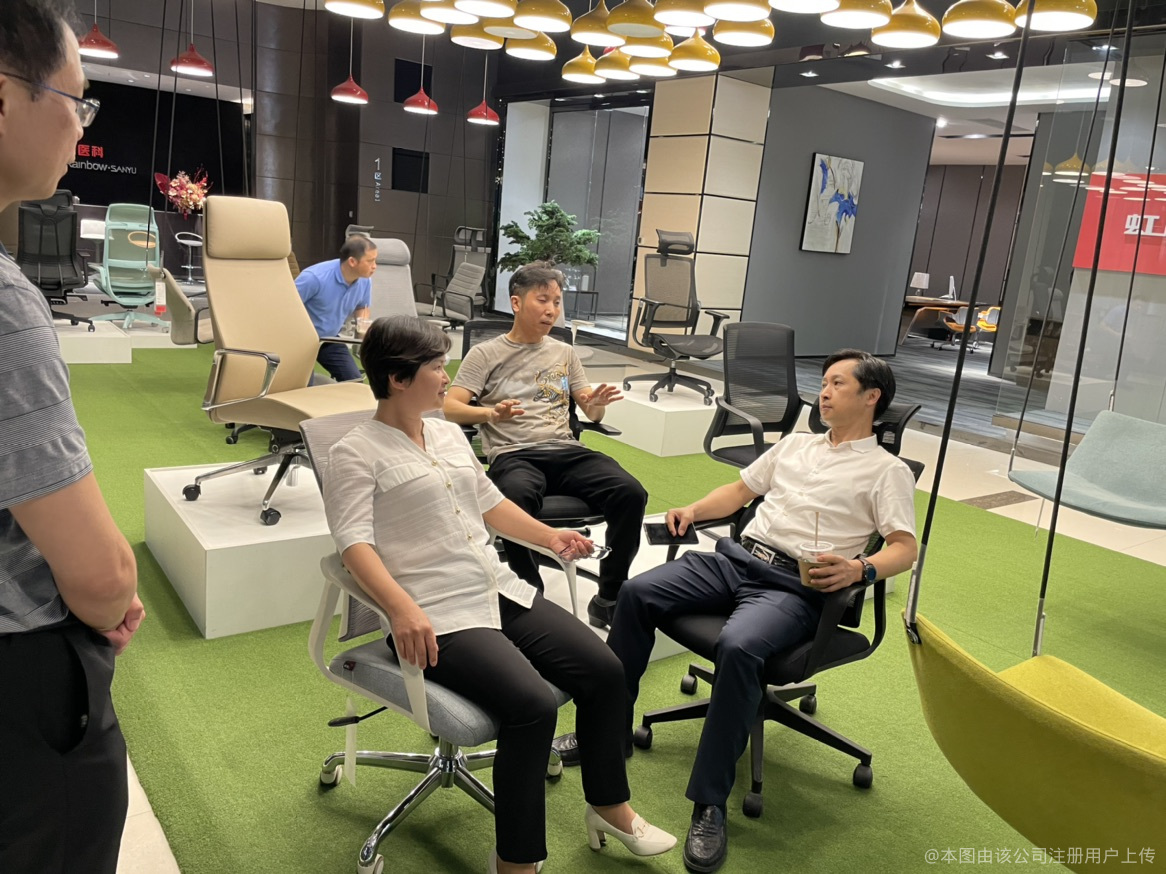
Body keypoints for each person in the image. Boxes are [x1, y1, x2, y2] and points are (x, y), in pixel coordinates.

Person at [323, 316, 676, 874]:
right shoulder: (355, 452)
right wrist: (399, 608)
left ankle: (610, 808)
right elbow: (353, 545)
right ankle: (515, 862)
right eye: (436, 366)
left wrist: (549, 536)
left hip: (494, 587)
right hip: (435, 613)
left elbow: (490, 503)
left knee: (605, 672)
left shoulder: (445, 433)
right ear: (397, 378)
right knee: (532, 707)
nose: (447, 377)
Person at [594, 350, 918, 874]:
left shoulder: (887, 471)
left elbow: (904, 547)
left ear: (871, 397)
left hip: (794, 587)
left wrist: (862, 569)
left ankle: (709, 803)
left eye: (838, 383)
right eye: (824, 382)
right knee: (635, 593)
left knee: (739, 645)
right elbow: (740, 491)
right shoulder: (795, 444)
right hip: (737, 559)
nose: (824, 392)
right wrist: (694, 510)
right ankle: (606, 739)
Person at [0, 3, 144, 872]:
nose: (82, 124)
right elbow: (98, 575)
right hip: (24, 683)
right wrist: (112, 600)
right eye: (75, 99)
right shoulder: (6, 307)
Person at [444, 262, 648, 631]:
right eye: (542, 300)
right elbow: (450, 406)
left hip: (565, 451)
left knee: (630, 492)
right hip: (514, 454)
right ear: (516, 303)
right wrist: (490, 414)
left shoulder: (565, 352)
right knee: (514, 498)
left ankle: (609, 596)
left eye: (556, 301)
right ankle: (529, 591)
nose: (552, 310)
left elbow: (591, 411)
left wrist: (596, 404)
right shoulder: (486, 354)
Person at [294, 234, 376, 382]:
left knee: (354, 382)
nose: (375, 266)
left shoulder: (365, 280)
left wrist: (363, 331)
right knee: (304, 385)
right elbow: (285, 308)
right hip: (300, 341)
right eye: (370, 261)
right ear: (352, 261)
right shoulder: (314, 278)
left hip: (329, 339)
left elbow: (362, 307)